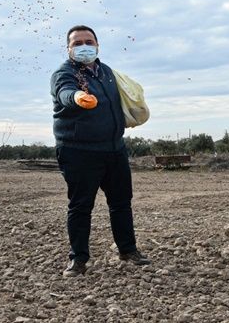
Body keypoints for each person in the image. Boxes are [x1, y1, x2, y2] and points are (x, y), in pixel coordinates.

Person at [50, 25, 151, 277]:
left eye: (88, 41)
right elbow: (64, 91)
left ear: (97, 45)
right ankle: (78, 259)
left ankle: (128, 250)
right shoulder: (64, 73)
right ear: (68, 48)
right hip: (79, 151)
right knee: (81, 206)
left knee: (121, 203)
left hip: (114, 148)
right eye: (77, 43)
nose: (84, 46)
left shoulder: (106, 73)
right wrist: (75, 98)